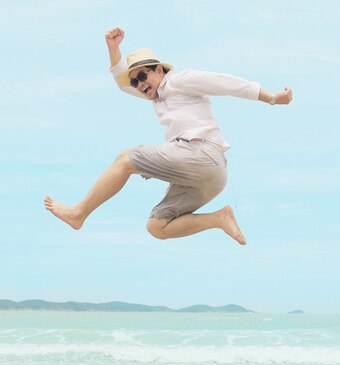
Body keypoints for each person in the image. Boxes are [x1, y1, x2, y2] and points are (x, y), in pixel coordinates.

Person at [44, 27, 293, 245]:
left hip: (203, 155)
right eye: (136, 82)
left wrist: (271, 98)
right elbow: (122, 83)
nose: (140, 84)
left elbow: (226, 83)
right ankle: (219, 218)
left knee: (125, 159)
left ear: (160, 70)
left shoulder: (180, 81)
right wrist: (113, 48)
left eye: (143, 76)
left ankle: (78, 213)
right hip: (209, 180)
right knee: (157, 226)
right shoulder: (156, 96)